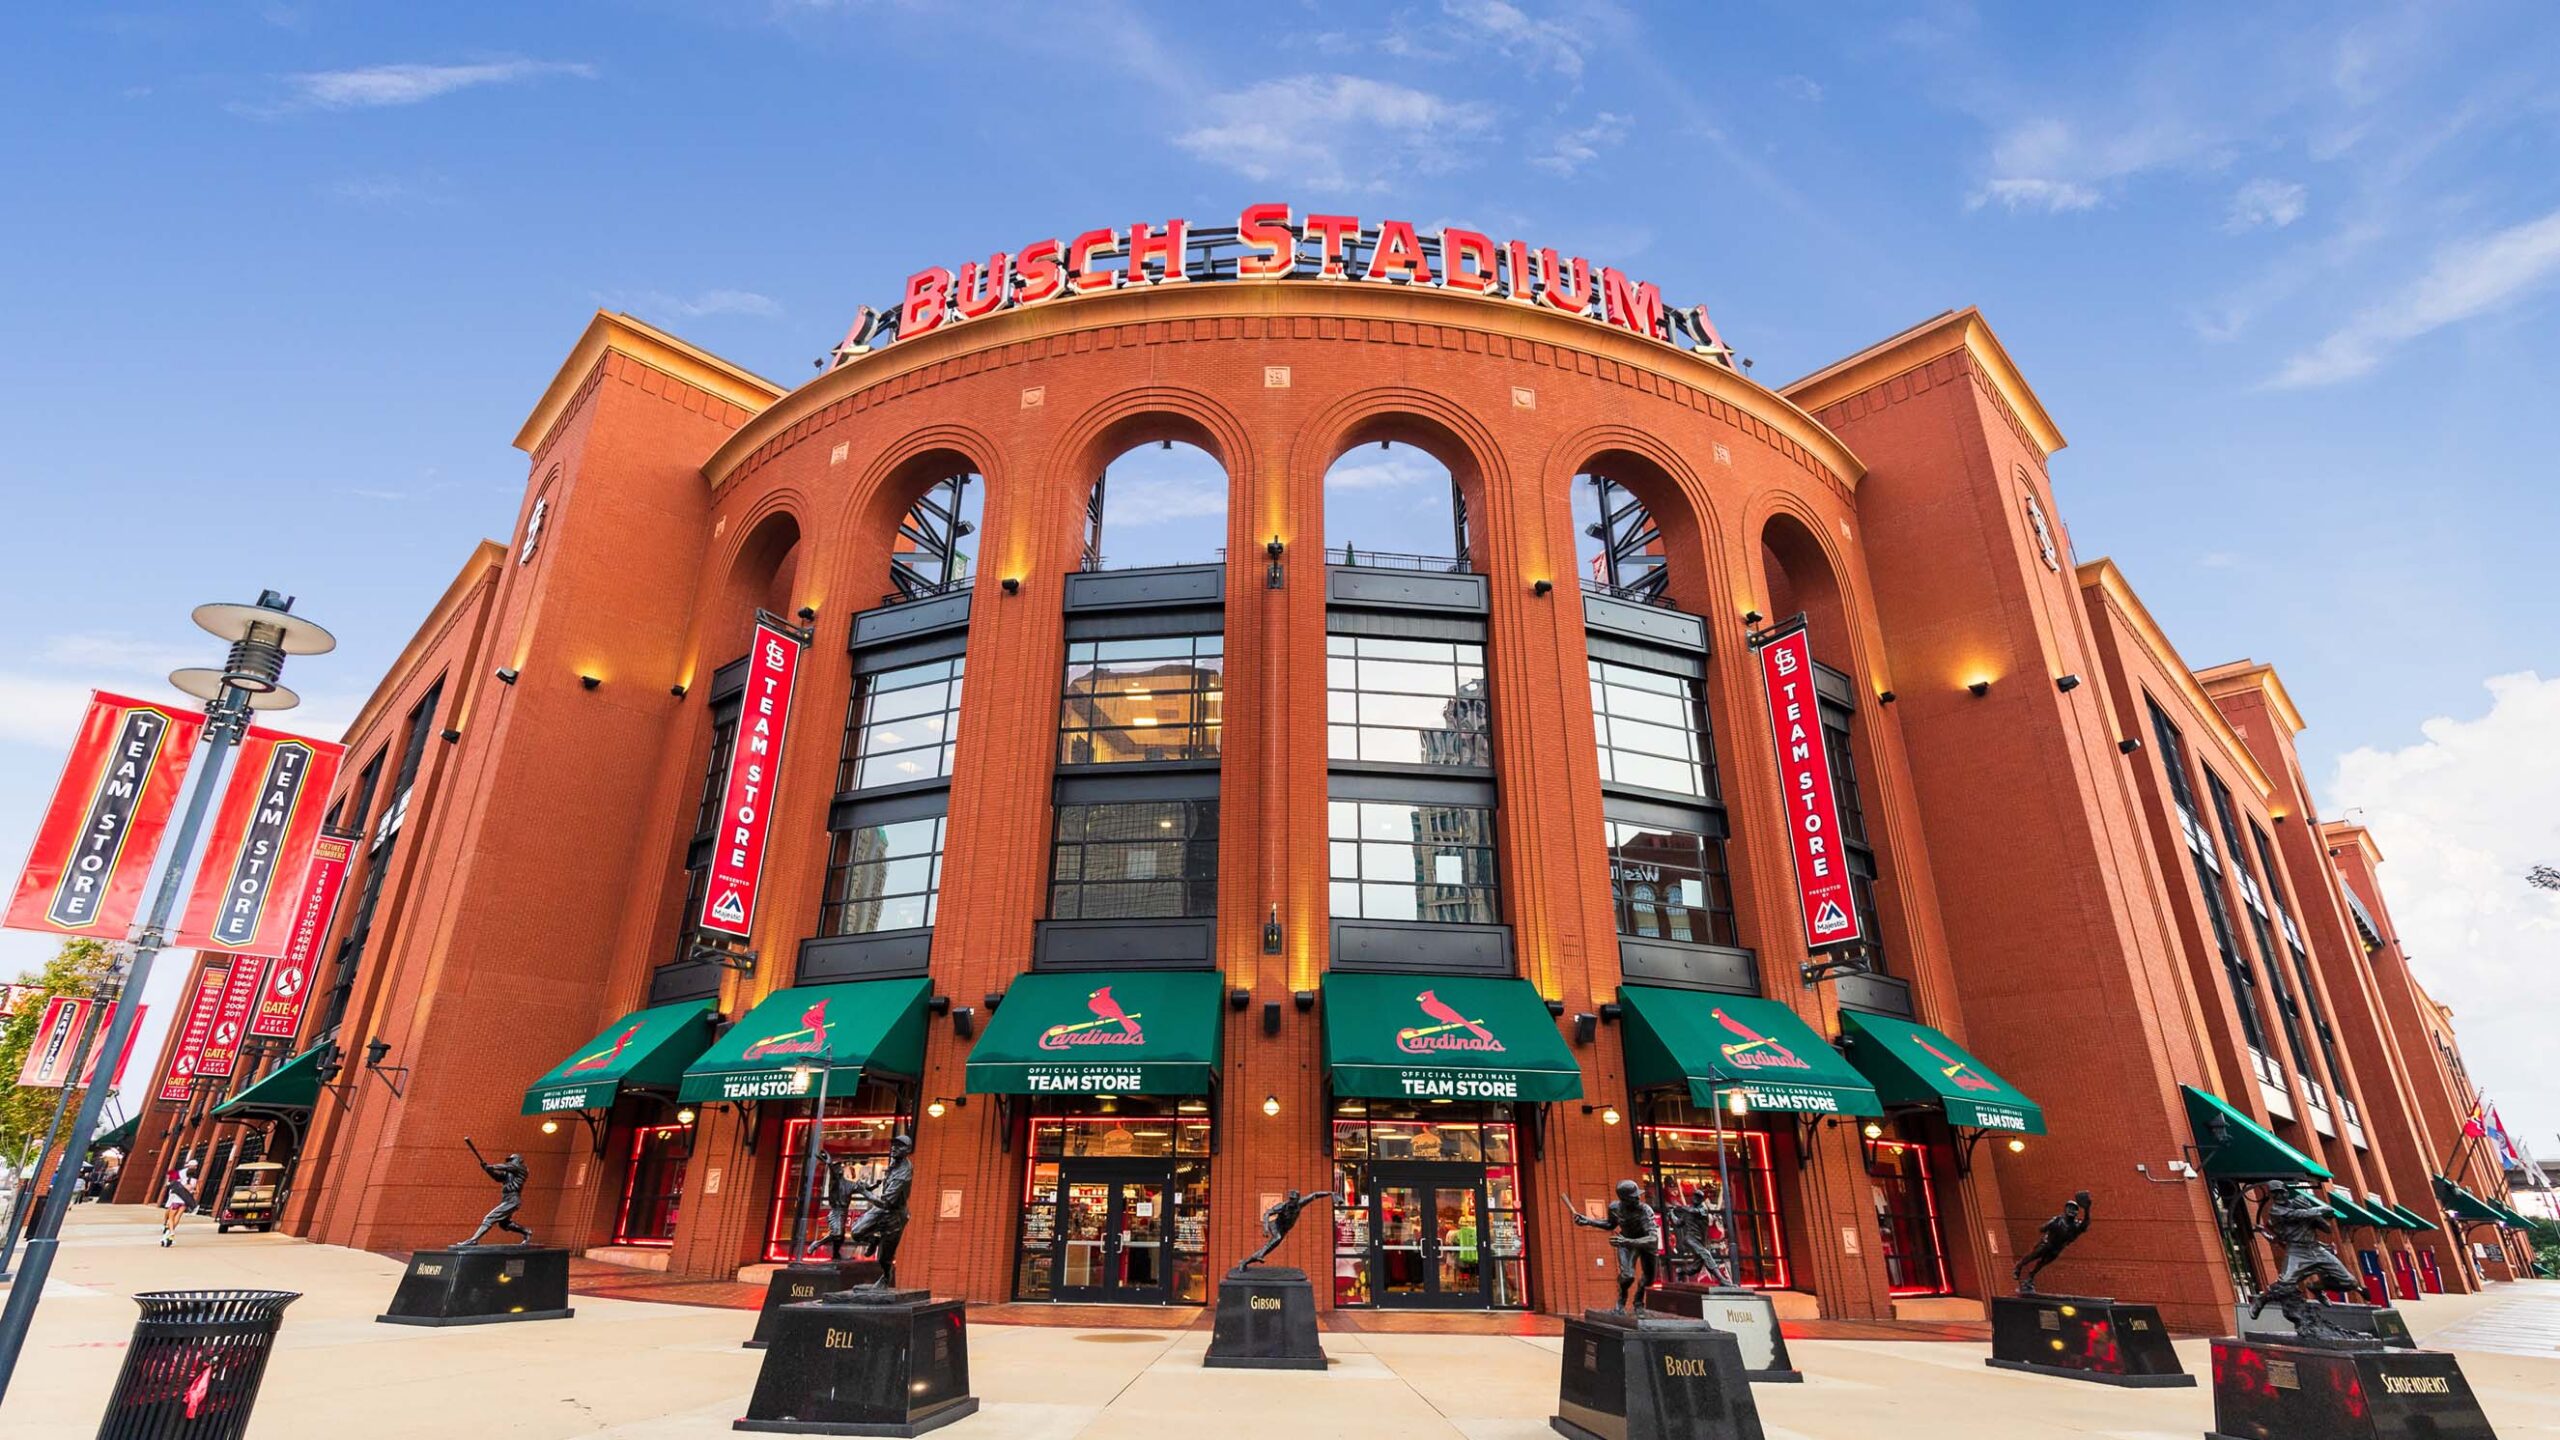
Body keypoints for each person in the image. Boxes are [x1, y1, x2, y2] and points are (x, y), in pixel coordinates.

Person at [1564, 1180, 1663, 1313]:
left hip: (1646, 1244)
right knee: (1627, 1276)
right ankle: (1621, 1301)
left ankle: (1638, 1300)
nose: (1638, 1198)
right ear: (1624, 1199)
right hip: (1625, 1243)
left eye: (1638, 1195)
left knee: (1649, 1279)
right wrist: (1588, 1221)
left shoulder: (1645, 1210)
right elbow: (1610, 1224)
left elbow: (1653, 1238)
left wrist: (1626, 1241)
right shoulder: (1615, 1208)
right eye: (1634, 1197)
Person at [159, 1167, 196, 1247]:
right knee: (178, 1216)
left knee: (171, 1217)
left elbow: (170, 1185)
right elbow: (195, 1191)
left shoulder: (181, 1180)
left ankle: (171, 1231)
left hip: (176, 1200)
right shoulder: (194, 1181)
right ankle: (169, 1232)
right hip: (185, 1201)